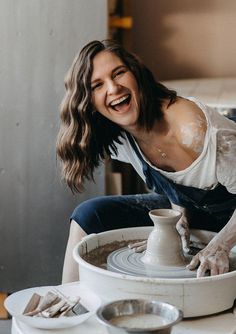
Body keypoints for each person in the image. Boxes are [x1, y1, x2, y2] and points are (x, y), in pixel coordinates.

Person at [56, 39, 236, 283]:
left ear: (136, 75)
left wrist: (220, 246)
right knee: (89, 215)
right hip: (201, 214)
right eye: (97, 85)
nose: (113, 89)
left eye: (118, 73)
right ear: (89, 103)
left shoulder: (193, 131)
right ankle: (68, 304)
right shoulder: (118, 133)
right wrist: (178, 214)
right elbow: (179, 182)